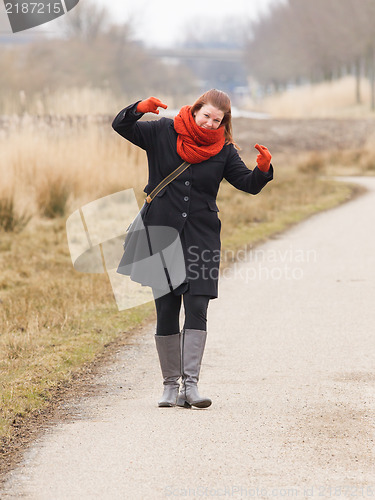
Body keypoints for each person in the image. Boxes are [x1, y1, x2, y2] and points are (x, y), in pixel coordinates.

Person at [112, 89, 273, 409]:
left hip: (202, 237)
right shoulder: (162, 131)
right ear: (196, 109)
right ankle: (170, 387)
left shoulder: (224, 151)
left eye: (218, 120)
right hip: (161, 233)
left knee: (198, 306)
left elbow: (247, 184)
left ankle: (191, 386)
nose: (211, 124)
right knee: (167, 309)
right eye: (207, 116)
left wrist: (263, 170)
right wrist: (138, 109)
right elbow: (121, 126)